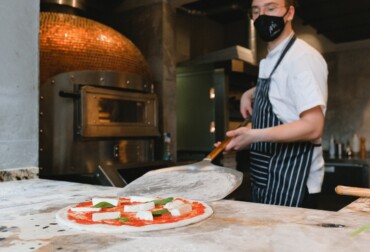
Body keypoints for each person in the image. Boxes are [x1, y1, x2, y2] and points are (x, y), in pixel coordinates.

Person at [222, 0, 328, 208]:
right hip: (267, 178)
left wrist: (253, 136)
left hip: (293, 182)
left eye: (271, 9)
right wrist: (249, 93)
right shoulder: (271, 60)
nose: (262, 16)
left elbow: (314, 126)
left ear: (289, 13)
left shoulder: (302, 58)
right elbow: (282, 87)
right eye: (256, 11)